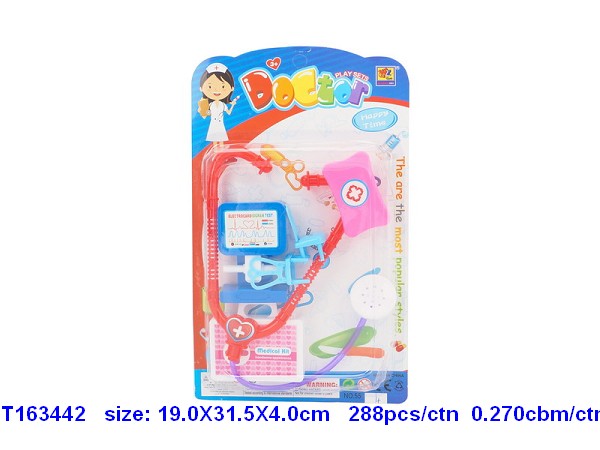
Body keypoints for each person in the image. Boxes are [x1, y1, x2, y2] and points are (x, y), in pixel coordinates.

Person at [198, 63, 238, 145]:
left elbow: (229, 112)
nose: (216, 90)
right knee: (214, 141)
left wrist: (233, 105)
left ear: (231, 88)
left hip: (220, 124)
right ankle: (216, 151)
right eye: (210, 87)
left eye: (223, 86)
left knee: (221, 140)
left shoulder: (223, 105)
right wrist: (203, 110)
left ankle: (221, 150)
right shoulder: (210, 104)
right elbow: (206, 114)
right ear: (201, 88)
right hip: (213, 124)